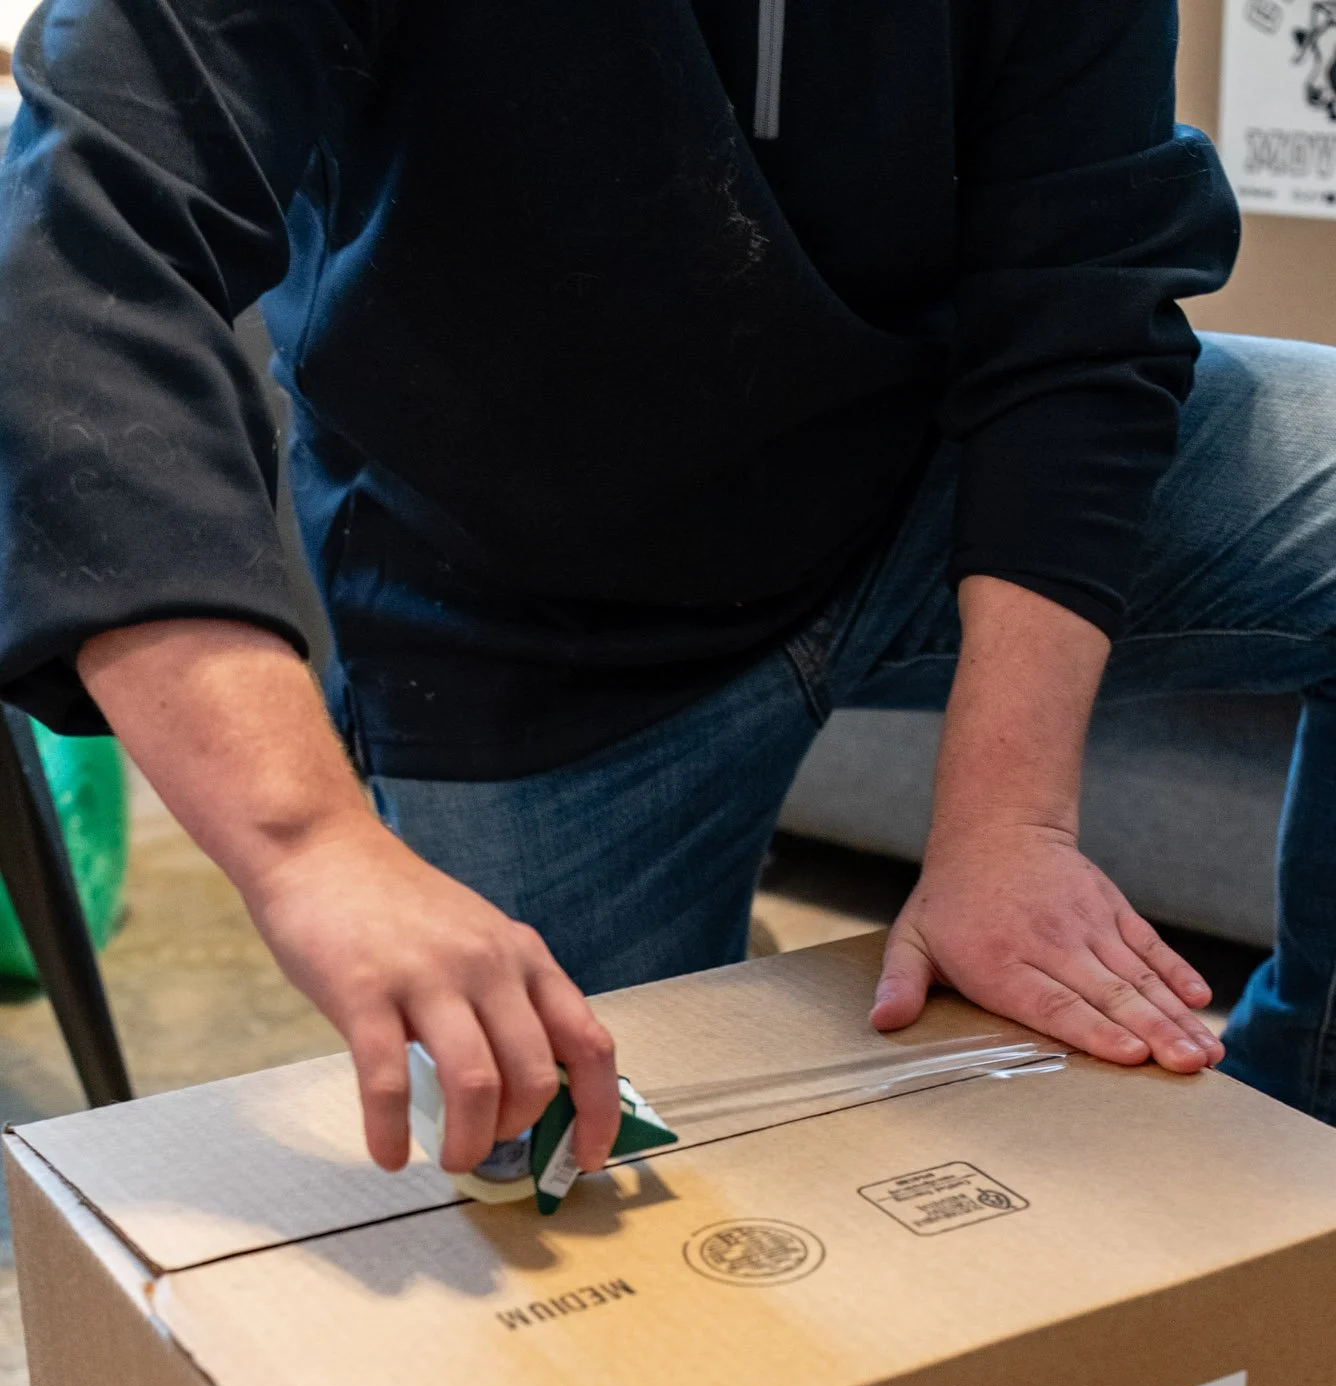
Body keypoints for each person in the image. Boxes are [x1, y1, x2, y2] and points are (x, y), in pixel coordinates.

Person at [1, 1, 1333, 1183]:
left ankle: (1302, 1119)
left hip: (926, 473)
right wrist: (309, 848)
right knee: (553, 1186)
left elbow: (1086, 290)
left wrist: (1010, 823)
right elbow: (82, 254)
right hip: (518, 610)